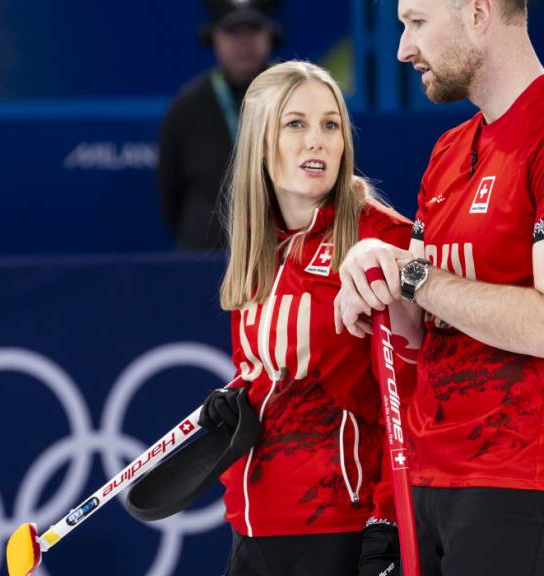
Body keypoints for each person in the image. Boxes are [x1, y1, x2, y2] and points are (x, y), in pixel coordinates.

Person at [334, 0, 544, 574]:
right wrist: (372, 270)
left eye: (416, 23)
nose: (403, 49)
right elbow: (420, 317)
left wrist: (412, 275)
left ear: (477, 13)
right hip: (425, 473)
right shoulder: (448, 150)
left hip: (520, 476)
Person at [198, 60, 415, 576]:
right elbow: (267, 373)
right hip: (253, 525)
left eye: (330, 124)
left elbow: (411, 398)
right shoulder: (258, 247)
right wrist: (238, 403)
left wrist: (388, 520)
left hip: (338, 526)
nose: (317, 140)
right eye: (295, 124)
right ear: (260, 142)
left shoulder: (380, 240)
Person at [157, 0, 281, 250]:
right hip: (204, 257)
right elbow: (169, 194)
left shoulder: (298, 96)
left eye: (253, 30)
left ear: (271, 33)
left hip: (284, 254)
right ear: (212, 37)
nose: (244, 42)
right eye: (232, 32)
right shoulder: (187, 106)